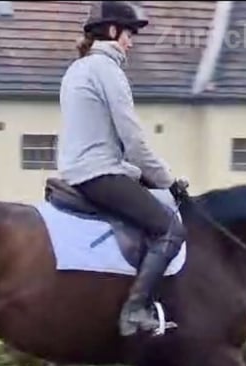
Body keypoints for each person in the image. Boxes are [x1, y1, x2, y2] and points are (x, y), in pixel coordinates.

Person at [57, 0, 189, 338]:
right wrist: (168, 180)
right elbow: (133, 142)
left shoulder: (78, 68)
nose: (131, 42)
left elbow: (107, 141)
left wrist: (142, 175)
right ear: (113, 31)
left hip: (80, 169)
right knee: (170, 229)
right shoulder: (107, 70)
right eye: (130, 34)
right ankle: (136, 309)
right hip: (99, 173)